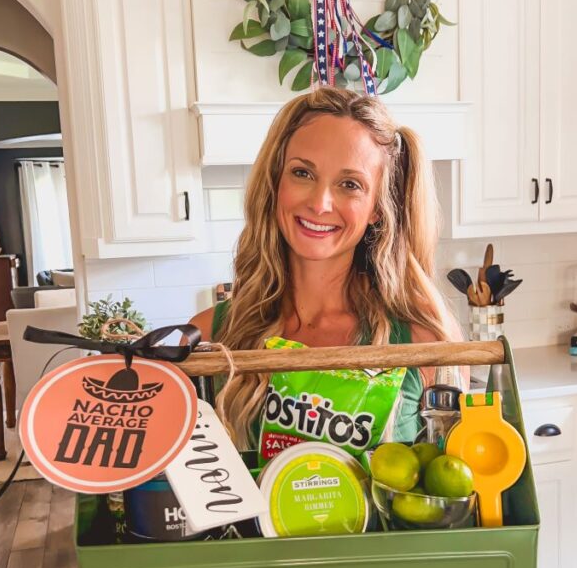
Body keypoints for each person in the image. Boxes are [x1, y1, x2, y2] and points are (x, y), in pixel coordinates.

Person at [190, 87, 464, 449]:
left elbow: (457, 489)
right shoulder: (209, 336)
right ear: (275, 183)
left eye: (350, 185)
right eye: (302, 173)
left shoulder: (425, 341)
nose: (320, 203)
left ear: (376, 209)